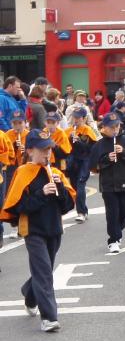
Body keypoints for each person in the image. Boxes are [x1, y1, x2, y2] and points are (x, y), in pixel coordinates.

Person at [0, 129, 75, 332]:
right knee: (44, 272)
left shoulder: (56, 173)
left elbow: (67, 206)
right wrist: (41, 194)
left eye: (49, 149)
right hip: (33, 230)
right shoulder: (23, 172)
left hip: (54, 228)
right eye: (42, 150)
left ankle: (29, 293)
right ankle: (49, 317)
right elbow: (17, 207)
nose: (47, 153)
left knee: (44, 271)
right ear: (30, 150)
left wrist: (60, 192)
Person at [89, 113, 125, 253]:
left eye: (117, 126)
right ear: (104, 128)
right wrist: (106, 158)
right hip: (108, 184)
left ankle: (118, 231)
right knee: (112, 212)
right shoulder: (99, 144)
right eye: (111, 127)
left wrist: (124, 152)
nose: (115, 129)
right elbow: (93, 165)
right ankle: (113, 240)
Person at [65, 107, 97, 223]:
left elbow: (91, 149)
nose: (76, 120)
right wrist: (70, 139)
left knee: (80, 184)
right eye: (74, 117)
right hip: (73, 161)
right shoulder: (68, 131)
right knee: (73, 186)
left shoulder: (88, 131)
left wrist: (79, 141)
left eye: (78, 118)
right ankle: (84, 210)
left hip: (84, 161)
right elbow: (65, 148)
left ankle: (81, 212)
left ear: (84, 118)